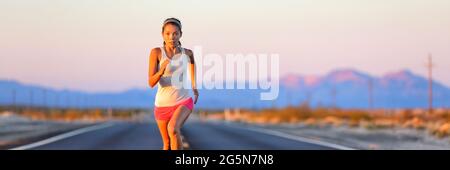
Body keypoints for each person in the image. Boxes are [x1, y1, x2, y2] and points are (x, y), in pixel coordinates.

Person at [148, 18, 199, 150]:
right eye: (168, 33)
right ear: (162, 34)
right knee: (167, 144)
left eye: (175, 33)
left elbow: (192, 61)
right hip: (162, 105)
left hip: (184, 100)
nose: (172, 37)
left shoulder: (186, 53)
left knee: (173, 129)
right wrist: (161, 71)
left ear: (180, 34)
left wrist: (194, 86)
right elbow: (151, 82)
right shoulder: (157, 53)